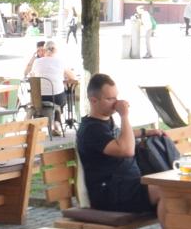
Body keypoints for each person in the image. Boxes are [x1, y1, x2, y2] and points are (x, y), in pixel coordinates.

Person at [74, 73, 177, 214]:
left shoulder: (104, 121)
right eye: (110, 99)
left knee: (176, 187)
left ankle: (177, 228)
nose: (116, 103)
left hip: (128, 186)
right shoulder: (91, 129)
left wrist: (145, 132)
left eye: (116, 97)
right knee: (166, 191)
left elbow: (118, 136)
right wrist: (124, 116)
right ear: (93, 101)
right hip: (110, 192)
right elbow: (126, 150)